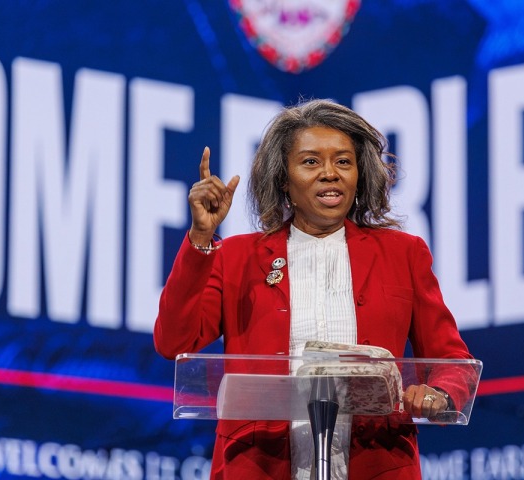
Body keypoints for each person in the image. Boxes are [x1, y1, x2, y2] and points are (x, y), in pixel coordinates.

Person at [154, 99, 473, 479]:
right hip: (259, 465)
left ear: (359, 175)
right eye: (310, 162)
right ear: (283, 179)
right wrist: (201, 237)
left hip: (376, 461)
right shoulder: (236, 257)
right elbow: (174, 341)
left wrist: (440, 393)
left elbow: (451, 359)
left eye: (343, 162)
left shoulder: (403, 254)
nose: (330, 173)